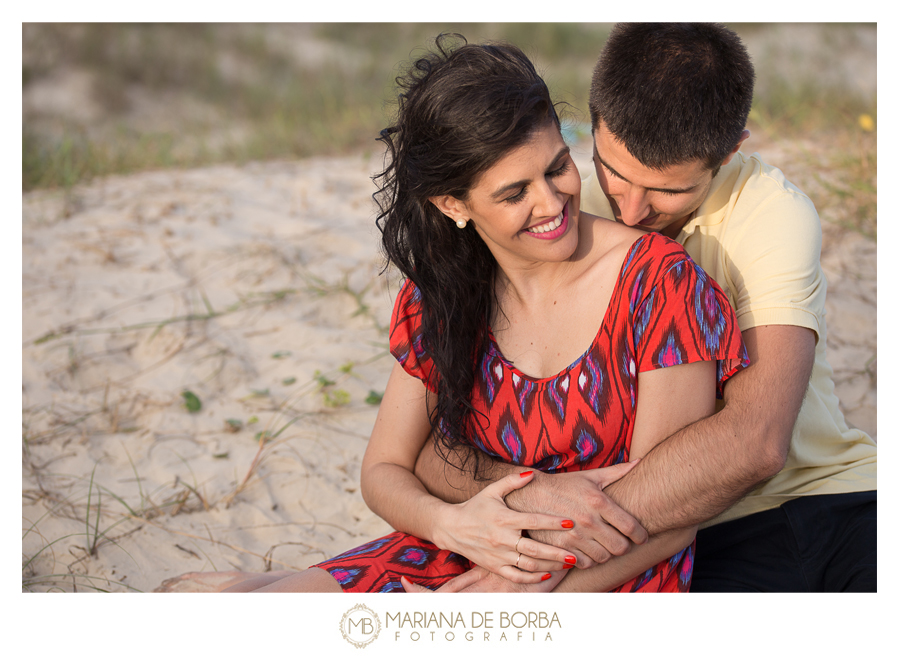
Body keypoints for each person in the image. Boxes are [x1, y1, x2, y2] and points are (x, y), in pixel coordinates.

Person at [160, 35, 747, 593]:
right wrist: (452, 526)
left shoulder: (660, 284)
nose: (551, 202)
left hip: (606, 577)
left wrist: (520, 594)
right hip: (464, 547)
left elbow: (671, 514)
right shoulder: (443, 292)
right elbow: (386, 468)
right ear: (452, 204)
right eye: (514, 193)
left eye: (556, 167)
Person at [413, 23, 877, 593]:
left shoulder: (769, 214)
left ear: (730, 151)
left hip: (821, 498)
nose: (630, 212)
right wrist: (528, 496)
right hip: (668, 530)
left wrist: (532, 568)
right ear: (593, 123)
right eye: (614, 173)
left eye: (668, 191)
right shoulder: (556, 205)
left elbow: (754, 441)